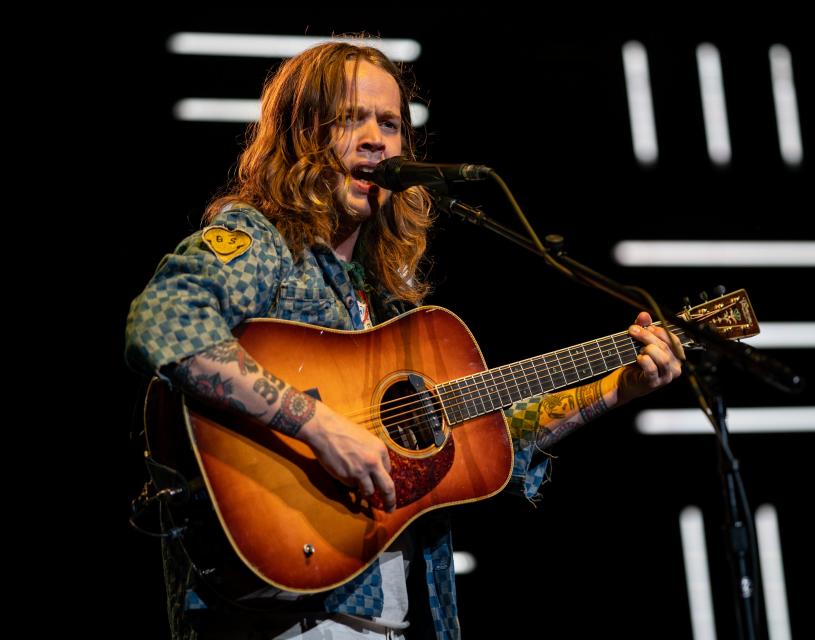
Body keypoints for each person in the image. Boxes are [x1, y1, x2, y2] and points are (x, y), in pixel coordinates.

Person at [125, 40, 683, 640]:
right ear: (299, 136)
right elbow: (162, 321)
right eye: (349, 119)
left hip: (386, 620)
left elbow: (484, 446)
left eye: (389, 123)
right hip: (284, 616)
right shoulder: (264, 246)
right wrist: (317, 424)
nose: (376, 140)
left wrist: (614, 388)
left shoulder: (389, 303)